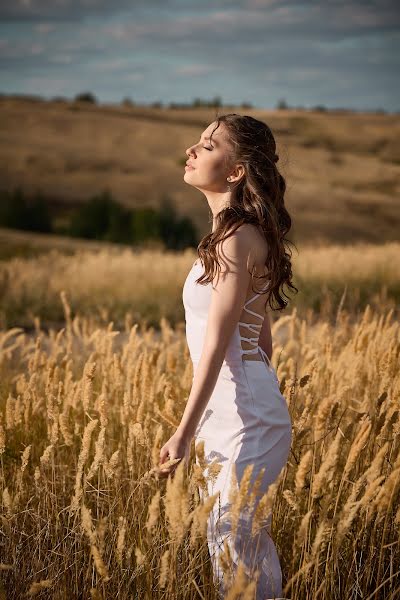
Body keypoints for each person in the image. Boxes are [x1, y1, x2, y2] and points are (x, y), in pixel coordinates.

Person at [159, 113, 297, 599]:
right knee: (234, 544)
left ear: (235, 171)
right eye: (197, 141)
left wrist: (183, 431)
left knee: (233, 537)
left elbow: (220, 344)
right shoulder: (227, 239)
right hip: (232, 410)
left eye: (209, 145)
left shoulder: (237, 240)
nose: (193, 150)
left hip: (245, 414)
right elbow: (262, 338)